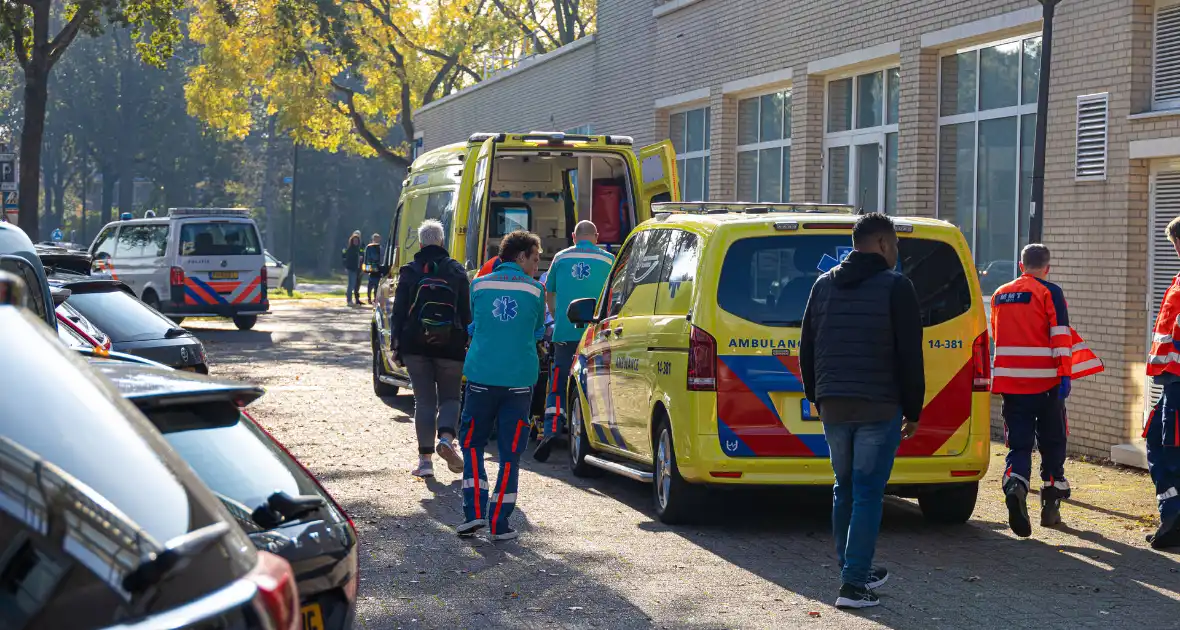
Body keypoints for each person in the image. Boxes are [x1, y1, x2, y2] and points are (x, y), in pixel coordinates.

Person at [799, 212, 923, 610]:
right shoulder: (896, 286)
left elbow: (807, 347)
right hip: (878, 405)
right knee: (869, 492)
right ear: (884, 244)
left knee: (844, 487)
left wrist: (817, 398)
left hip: (833, 405)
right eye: (896, 245)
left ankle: (853, 567)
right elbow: (909, 355)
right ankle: (853, 585)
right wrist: (914, 408)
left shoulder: (822, 286)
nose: (896, 252)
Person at [457, 230, 546, 541]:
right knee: (510, 453)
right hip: (519, 381)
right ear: (520, 257)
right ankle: (499, 522)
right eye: (534, 260)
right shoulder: (536, 292)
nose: (537, 266)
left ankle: (473, 512)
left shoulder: (478, 285)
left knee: (471, 444)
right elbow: (537, 332)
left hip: (481, 377)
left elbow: (475, 324)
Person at [990, 244, 1073, 538]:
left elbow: (997, 336)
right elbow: (1061, 337)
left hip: (1011, 384)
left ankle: (1015, 483)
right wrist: (1064, 375)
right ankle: (1050, 505)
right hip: (1046, 384)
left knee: (1019, 444)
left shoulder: (1001, 294)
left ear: (1020, 265)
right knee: (1052, 441)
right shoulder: (1050, 292)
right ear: (1047, 267)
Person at [391, 220, 471, 477]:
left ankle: (425, 462)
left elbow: (399, 312)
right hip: (451, 346)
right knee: (450, 397)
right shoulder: (457, 271)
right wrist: (466, 341)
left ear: (421, 242)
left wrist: (396, 345)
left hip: (415, 345)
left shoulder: (410, 271)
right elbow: (466, 313)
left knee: (424, 401)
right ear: (442, 241)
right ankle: (446, 438)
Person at [534, 220, 614, 462]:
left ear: (573, 236)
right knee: (593, 385)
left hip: (565, 334)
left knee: (558, 383)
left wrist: (557, 318)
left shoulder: (560, 258)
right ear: (596, 237)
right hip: (595, 335)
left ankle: (550, 430)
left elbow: (549, 293)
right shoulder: (609, 260)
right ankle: (591, 437)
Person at [1144, 216, 1180, 549]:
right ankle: (1171, 514)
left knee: (1171, 448)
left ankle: (1173, 519)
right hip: (1171, 382)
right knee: (1156, 439)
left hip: (1179, 385)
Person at [342, 230, 363, 306]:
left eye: (357, 240)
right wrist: (346, 268)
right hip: (351, 269)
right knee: (351, 284)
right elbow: (347, 259)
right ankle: (349, 300)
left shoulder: (358, 248)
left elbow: (360, 256)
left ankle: (350, 299)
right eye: (354, 240)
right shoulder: (350, 249)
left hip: (356, 269)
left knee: (353, 284)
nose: (356, 242)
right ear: (352, 241)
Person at [364, 233, 383, 305]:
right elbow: (366, 258)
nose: (376, 240)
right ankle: (369, 298)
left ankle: (375, 298)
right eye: (375, 238)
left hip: (378, 269)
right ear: (373, 239)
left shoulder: (380, 248)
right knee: (370, 285)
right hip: (371, 269)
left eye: (377, 239)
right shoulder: (369, 247)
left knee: (376, 286)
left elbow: (382, 258)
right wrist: (366, 268)